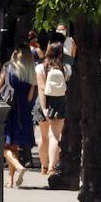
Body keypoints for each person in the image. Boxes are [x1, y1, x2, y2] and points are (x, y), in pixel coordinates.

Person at [0, 44, 36, 188]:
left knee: (2, 145)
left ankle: (19, 167)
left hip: (9, 110)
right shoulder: (30, 72)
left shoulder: (8, 68)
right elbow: (30, 98)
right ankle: (10, 179)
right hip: (23, 112)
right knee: (14, 147)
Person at [36, 41, 71, 176]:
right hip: (59, 102)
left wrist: (44, 108)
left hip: (43, 101)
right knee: (55, 136)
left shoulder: (40, 68)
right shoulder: (66, 68)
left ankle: (44, 166)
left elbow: (41, 88)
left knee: (44, 137)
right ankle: (52, 166)